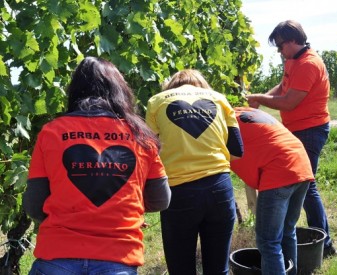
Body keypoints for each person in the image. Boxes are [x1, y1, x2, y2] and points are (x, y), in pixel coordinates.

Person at [23, 57, 171, 275]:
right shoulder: (141, 136)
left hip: (57, 256)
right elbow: (161, 200)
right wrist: (121, 206)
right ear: (120, 89)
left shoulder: (51, 132)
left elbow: (34, 205)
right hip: (118, 256)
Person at [246, 20, 337, 258]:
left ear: (293, 40)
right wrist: (264, 96)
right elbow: (284, 85)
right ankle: (322, 242)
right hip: (298, 129)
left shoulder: (309, 64)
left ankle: (325, 244)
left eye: (280, 45)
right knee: (306, 186)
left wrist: (259, 99)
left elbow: (289, 101)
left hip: (310, 130)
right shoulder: (294, 60)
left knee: (306, 187)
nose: (279, 50)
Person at [145, 69, 243, 275]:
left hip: (179, 194)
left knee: (181, 269)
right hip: (220, 189)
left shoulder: (157, 101)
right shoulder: (220, 99)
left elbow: (149, 153)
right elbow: (237, 150)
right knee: (218, 270)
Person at [231, 107, 313, 275]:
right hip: (301, 165)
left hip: (279, 171)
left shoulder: (221, 122)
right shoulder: (242, 111)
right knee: (287, 231)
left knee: (268, 241)